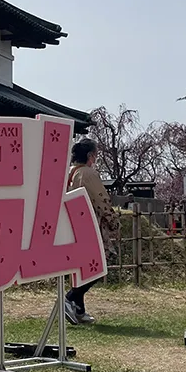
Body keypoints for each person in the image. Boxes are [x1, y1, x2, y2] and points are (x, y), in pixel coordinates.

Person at [64, 139, 119, 325]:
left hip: (71, 226)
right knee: (99, 265)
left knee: (83, 268)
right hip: (91, 226)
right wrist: (113, 221)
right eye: (95, 154)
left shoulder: (69, 174)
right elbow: (101, 200)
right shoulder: (88, 174)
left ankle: (79, 309)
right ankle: (70, 298)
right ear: (90, 156)